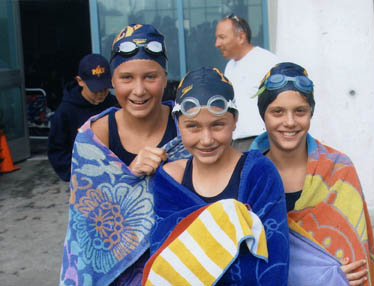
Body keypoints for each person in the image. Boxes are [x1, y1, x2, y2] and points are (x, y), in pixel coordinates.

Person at [59, 24, 190, 286]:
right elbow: (86, 227)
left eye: (150, 77)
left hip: (180, 265)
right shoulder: (94, 137)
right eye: (127, 78)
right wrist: (129, 174)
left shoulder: (188, 129)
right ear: (112, 81)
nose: (139, 90)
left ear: (165, 79)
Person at [142, 67, 289, 285]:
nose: (206, 139)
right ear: (178, 125)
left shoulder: (258, 174)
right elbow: (166, 264)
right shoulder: (170, 180)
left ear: (234, 121)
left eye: (217, 125)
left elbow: (272, 263)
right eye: (193, 127)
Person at [250, 62, 374, 286]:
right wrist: (320, 277)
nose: (289, 122)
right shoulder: (248, 176)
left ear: (311, 112)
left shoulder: (339, 169)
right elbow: (244, 262)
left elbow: (356, 259)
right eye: (277, 112)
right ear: (264, 115)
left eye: (299, 111)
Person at [215, 14, 280, 151]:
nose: (217, 44)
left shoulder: (267, 61)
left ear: (241, 37)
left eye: (222, 37)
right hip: (235, 143)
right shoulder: (229, 67)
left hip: (262, 142)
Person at [47, 53, 117, 181]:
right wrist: (78, 174)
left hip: (116, 172)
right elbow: (57, 151)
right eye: (95, 90)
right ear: (80, 81)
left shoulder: (114, 105)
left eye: (105, 88)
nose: (101, 94)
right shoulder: (64, 113)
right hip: (84, 177)